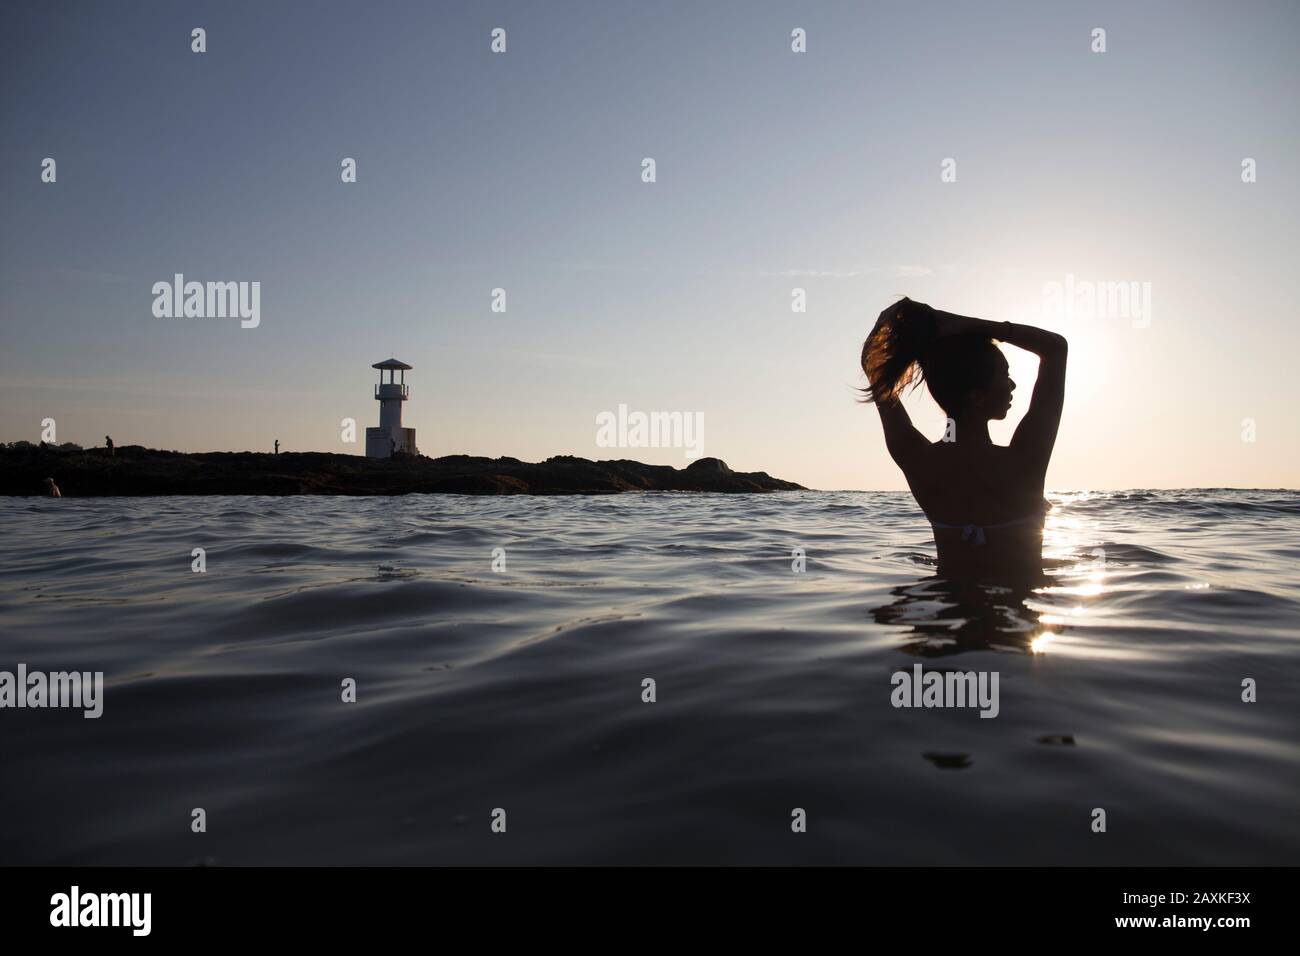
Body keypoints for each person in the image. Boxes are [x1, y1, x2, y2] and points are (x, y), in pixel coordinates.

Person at [861, 298, 1067, 582]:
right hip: (1014, 613)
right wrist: (962, 323)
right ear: (977, 396)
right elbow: (1056, 348)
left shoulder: (916, 459)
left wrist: (884, 324)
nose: (1012, 384)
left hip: (944, 611)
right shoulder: (1025, 460)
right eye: (1004, 375)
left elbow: (873, 369)